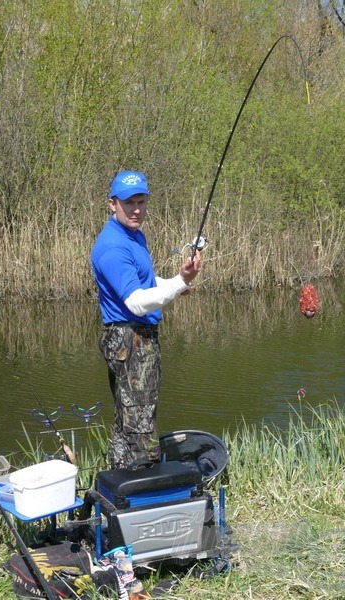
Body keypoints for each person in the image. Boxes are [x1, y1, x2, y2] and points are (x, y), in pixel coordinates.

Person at [91, 170, 201, 469]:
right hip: (130, 339)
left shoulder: (133, 235)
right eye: (129, 203)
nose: (136, 209)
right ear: (112, 204)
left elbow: (146, 281)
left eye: (141, 201)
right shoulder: (113, 246)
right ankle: (143, 486)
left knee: (128, 417)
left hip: (137, 337)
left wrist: (178, 283)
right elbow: (137, 302)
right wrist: (176, 285)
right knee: (140, 422)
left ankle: (122, 481)